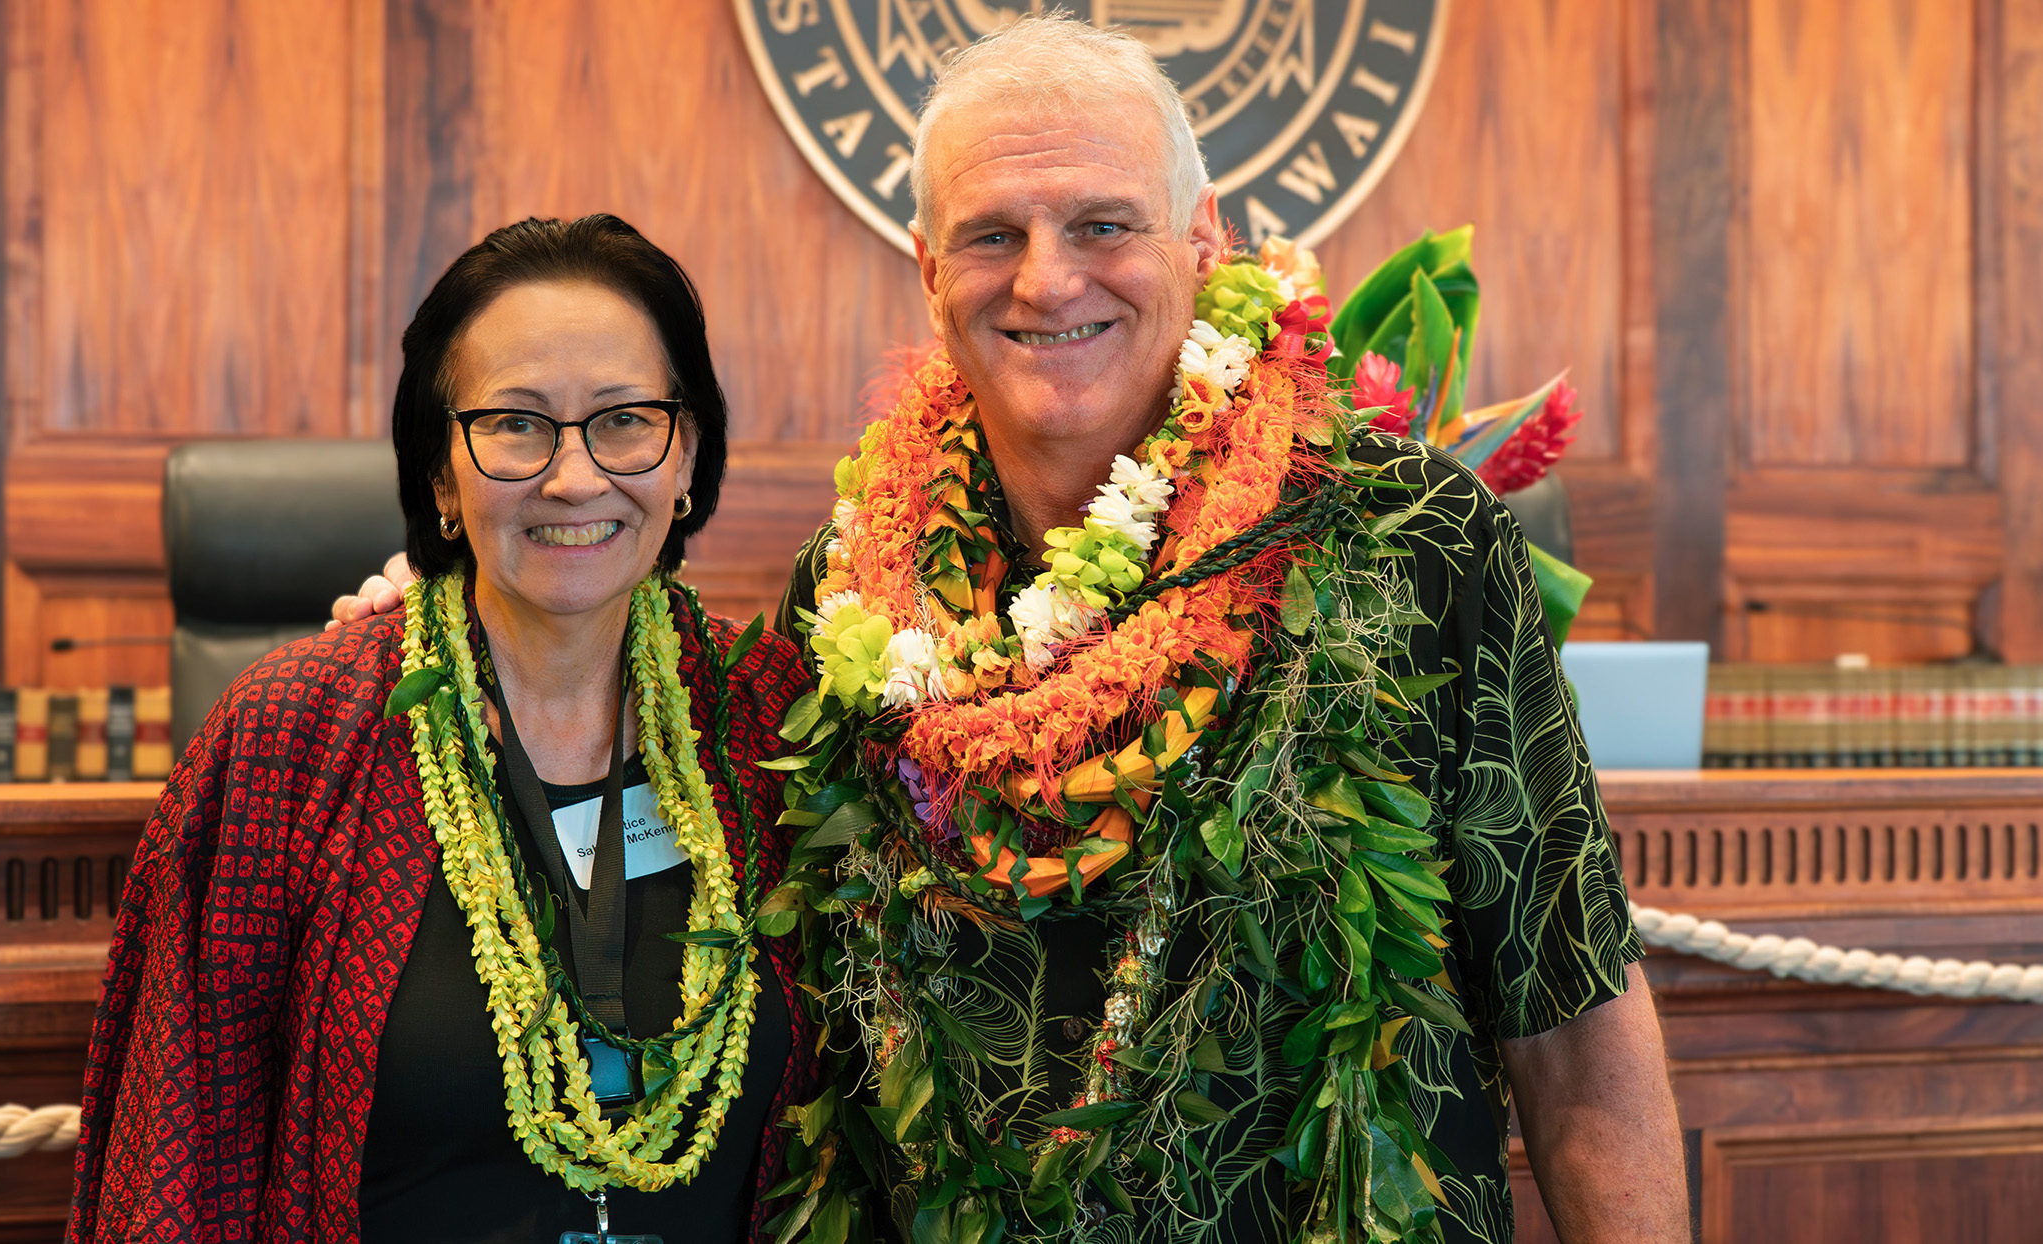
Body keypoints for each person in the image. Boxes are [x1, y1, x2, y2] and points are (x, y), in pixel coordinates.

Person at [334, 19, 1688, 1244]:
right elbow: (655, 696)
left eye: (1104, 224)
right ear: (928, 270)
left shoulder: (1409, 544)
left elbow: (1571, 1026)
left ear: (1202, 241)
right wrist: (452, 623)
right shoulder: (852, 602)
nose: (1047, 282)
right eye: (993, 235)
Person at [72, 214, 815, 1244]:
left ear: (686, 453)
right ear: (439, 475)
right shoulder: (291, 742)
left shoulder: (769, 715)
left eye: (624, 419)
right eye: (515, 423)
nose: (574, 476)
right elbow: (177, 1159)